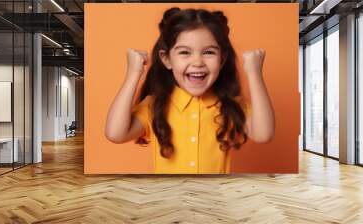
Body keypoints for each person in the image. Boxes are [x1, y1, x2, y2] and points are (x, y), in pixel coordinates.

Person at [105, 7, 275, 174]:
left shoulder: (231, 106)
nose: (197, 62)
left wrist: (254, 73)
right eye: (185, 52)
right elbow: (115, 134)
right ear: (167, 59)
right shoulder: (154, 105)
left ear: (222, 60)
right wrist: (133, 73)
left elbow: (263, 134)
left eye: (208, 52)